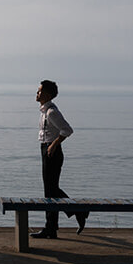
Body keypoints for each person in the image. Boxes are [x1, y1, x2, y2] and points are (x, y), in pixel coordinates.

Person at [31, 79, 87, 239]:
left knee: (51, 191)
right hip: (46, 149)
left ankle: (74, 213)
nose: (37, 93)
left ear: (47, 94)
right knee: (50, 191)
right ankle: (53, 227)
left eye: (39, 91)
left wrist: (54, 144)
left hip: (52, 151)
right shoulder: (44, 111)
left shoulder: (51, 112)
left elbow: (67, 130)